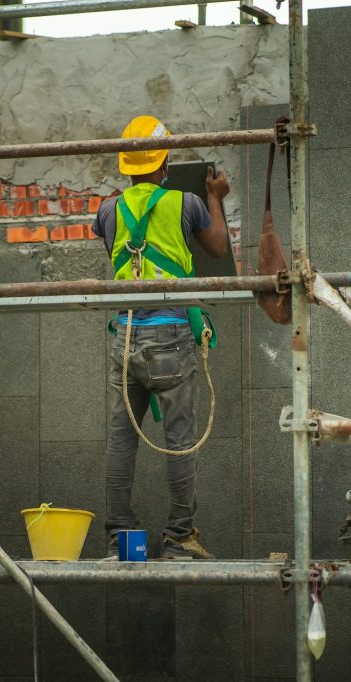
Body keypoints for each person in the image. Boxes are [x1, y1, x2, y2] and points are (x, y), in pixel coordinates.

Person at [92, 115, 230, 560]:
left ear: (126, 165)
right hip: (170, 335)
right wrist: (215, 197)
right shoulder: (186, 203)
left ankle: (119, 538)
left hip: (125, 336)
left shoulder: (108, 210)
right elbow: (217, 248)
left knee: (121, 439)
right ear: (164, 159)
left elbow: (112, 245)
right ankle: (179, 537)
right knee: (180, 439)